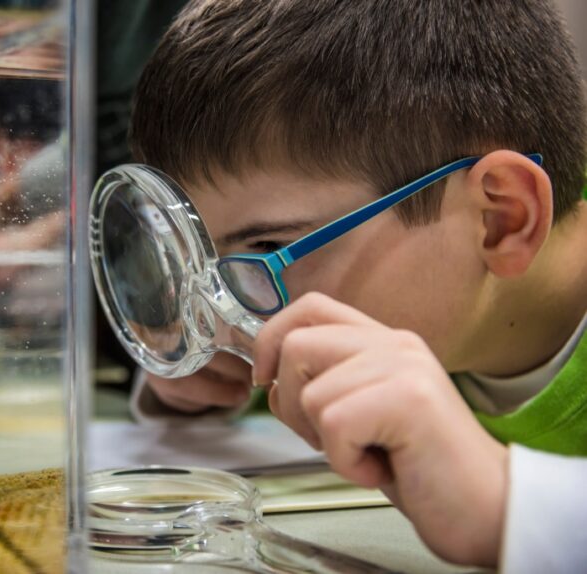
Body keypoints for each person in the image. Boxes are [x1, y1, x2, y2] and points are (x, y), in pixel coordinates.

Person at [122, 0, 587, 570]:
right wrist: (188, 400)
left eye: (268, 249)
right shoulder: (427, 293)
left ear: (501, 219)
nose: (220, 319)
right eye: (207, 259)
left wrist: (510, 506)